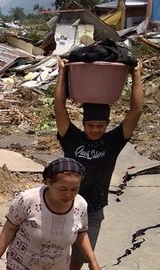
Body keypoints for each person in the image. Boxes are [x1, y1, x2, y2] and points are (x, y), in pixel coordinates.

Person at [54, 59, 144, 270]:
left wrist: (136, 75)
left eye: (100, 126)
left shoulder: (113, 141)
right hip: (64, 204)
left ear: (107, 125)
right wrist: (62, 73)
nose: (95, 130)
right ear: (83, 124)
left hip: (93, 210)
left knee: (79, 259)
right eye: (91, 125)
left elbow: (136, 111)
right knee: (53, 252)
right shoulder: (72, 138)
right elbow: (59, 107)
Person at [0, 157, 101, 270]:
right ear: (48, 182)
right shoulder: (28, 199)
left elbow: (81, 233)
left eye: (74, 189)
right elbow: (10, 228)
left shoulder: (80, 205)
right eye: (63, 189)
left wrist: (92, 261)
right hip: (21, 264)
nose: (69, 194)